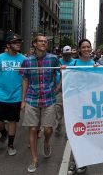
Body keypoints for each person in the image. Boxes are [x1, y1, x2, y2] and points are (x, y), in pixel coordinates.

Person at [21, 34, 61, 173]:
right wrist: (23, 101)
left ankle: (46, 141)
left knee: (48, 129)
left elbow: (61, 72)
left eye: (45, 41)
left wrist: (57, 88)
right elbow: (25, 80)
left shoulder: (53, 59)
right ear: (34, 44)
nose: (44, 43)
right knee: (32, 129)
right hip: (32, 98)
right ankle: (34, 159)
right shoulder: (27, 61)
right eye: (41, 41)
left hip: (49, 98)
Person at [67, 39, 98, 175]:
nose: (86, 49)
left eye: (88, 47)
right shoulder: (73, 64)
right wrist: (64, 71)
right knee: (76, 134)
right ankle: (75, 162)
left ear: (91, 48)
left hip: (91, 106)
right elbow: (67, 82)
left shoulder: (96, 65)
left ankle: (83, 161)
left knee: (87, 135)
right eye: (83, 47)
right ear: (79, 49)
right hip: (75, 105)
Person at [0, 33, 26, 156]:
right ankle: (3, 133)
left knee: (12, 121)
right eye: (15, 42)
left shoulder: (23, 59)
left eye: (19, 42)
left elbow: (27, 77)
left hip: (16, 96)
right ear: (8, 45)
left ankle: (10, 144)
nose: (18, 44)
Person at [54, 46, 76, 134]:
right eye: (65, 55)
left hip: (71, 91)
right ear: (62, 54)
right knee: (58, 110)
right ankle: (58, 125)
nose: (67, 56)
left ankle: (69, 131)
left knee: (70, 111)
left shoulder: (75, 62)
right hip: (59, 91)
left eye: (69, 54)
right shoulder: (57, 62)